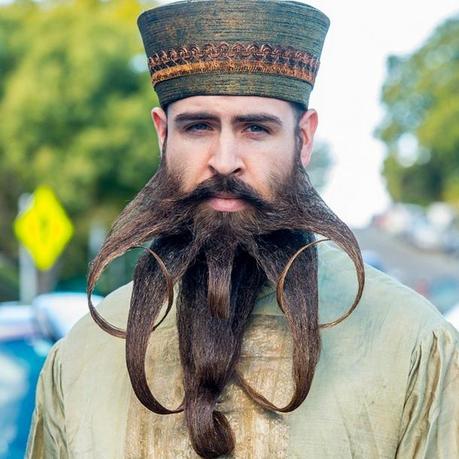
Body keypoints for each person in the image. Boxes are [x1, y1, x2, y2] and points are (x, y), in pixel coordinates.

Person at [27, 1, 459, 458]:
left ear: (304, 138)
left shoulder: (408, 342)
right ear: (163, 135)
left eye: (255, 128)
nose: (225, 159)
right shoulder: (81, 357)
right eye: (198, 127)